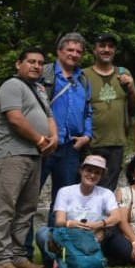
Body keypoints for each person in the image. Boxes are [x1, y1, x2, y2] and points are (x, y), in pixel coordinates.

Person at [0, 47, 57, 268]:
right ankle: (0, 258)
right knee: (5, 207)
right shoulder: (11, 85)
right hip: (13, 154)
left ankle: (18, 255)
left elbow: (48, 116)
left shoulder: (39, 89)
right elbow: (15, 119)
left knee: (27, 209)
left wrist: (54, 137)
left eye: (40, 62)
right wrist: (40, 140)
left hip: (35, 157)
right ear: (18, 64)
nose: (36, 66)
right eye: (31, 61)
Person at [42, 33, 93, 211]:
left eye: (78, 51)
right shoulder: (44, 73)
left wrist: (87, 136)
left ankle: (55, 238)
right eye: (70, 50)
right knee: (30, 195)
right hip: (44, 144)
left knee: (63, 201)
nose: (74, 54)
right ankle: (22, 239)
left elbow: (88, 111)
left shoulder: (83, 79)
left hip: (71, 147)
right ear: (59, 51)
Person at [37, 155, 121, 264]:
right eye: (89, 170)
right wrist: (71, 223)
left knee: (107, 232)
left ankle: (70, 258)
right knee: (42, 233)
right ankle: (58, 258)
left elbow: (116, 217)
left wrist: (98, 224)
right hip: (69, 234)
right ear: (81, 170)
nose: (92, 175)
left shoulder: (106, 193)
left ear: (101, 176)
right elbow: (59, 221)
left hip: (93, 235)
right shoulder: (65, 191)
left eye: (97, 173)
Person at [85, 33, 135, 190]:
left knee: (108, 190)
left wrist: (130, 87)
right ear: (94, 50)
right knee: (87, 186)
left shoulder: (124, 73)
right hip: (91, 142)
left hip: (116, 142)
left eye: (110, 46)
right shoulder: (84, 75)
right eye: (102, 46)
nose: (106, 49)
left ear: (114, 50)